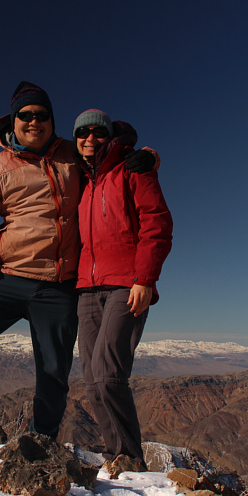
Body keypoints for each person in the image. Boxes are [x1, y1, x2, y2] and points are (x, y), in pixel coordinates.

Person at [0, 83, 155, 441]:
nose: (34, 121)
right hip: (9, 277)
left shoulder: (70, 155)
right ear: (12, 123)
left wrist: (148, 155)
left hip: (59, 285)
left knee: (53, 369)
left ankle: (42, 438)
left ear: (51, 120)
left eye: (41, 115)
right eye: (25, 115)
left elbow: (109, 154)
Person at [72, 109, 172, 476]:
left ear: (111, 135)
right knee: (91, 379)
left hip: (127, 284)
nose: (90, 139)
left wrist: (145, 278)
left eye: (98, 133)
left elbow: (157, 223)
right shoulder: (81, 180)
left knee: (109, 373)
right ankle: (116, 456)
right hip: (86, 289)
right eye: (83, 134)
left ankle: (131, 459)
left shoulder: (132, 168)